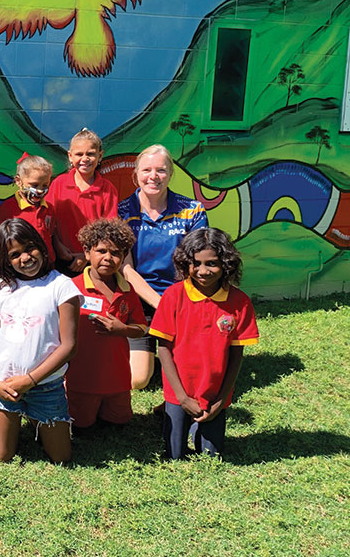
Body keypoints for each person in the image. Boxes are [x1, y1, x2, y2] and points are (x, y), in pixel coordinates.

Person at [0, 219, 82, 464]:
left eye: (30, 248)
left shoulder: (61, 286)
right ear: (5, 260)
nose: (26, 258)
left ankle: (2, 406)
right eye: (15, 254)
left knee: (61, 457)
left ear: (41, 245)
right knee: (2, 455)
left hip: (45, 387)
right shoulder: (1, 289)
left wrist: (30, 381)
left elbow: (69, 346)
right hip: (4, 385)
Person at [151, 228, 258, 459]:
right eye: (196, 263)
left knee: (212, 455)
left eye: (212, 264)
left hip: (214, 393)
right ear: (185, 263)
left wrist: (220, 401)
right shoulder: (173, 296)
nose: (203, 271)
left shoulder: (240, 302)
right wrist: (181, 398)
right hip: (179, 392)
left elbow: (236, 356)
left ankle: (198, 425)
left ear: (227, 264)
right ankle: (179, 417)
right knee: (174, 455)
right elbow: (163, 348)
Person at [118, 144, 207, 390]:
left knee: (194, 377)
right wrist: (161, 304)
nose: (153, 177)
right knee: (137, 380)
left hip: (182, 300)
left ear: (170, 174)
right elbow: (126, 270)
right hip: (140, 304)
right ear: (136, 175)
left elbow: (197, 264)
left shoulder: (192, 210)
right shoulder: (122, 212)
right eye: (146, 170)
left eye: (161, 170)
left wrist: (178, 304)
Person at [65, 219, 148, 429]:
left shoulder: (127, 290)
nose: (108, 258)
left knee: (118, 423)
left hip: (118, 380)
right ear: (86, 252)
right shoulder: (71, 288)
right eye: (101, 251)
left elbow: (140, 328)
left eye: (116, 253)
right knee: (81, 426)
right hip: (81, 380)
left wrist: (122, 330)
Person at [46, 128, 119, 275]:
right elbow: (48, 221)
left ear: (100, 155)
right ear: (70, 156)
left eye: (90, 154)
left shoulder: (107, 189)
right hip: (60, 259)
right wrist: (58, 247)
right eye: (79, 154)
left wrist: (86, 256)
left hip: (93, 263)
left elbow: (108, 230)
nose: (84, 158)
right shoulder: (58, 184)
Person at [0, 154, 72, 267]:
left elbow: (50, 234)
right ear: (18, 181)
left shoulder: (48, 208)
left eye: (45, 185)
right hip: (23, 267)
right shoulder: (9, 208)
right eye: (34, 185)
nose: (40, 190)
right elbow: (1, 241)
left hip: (47, 266)